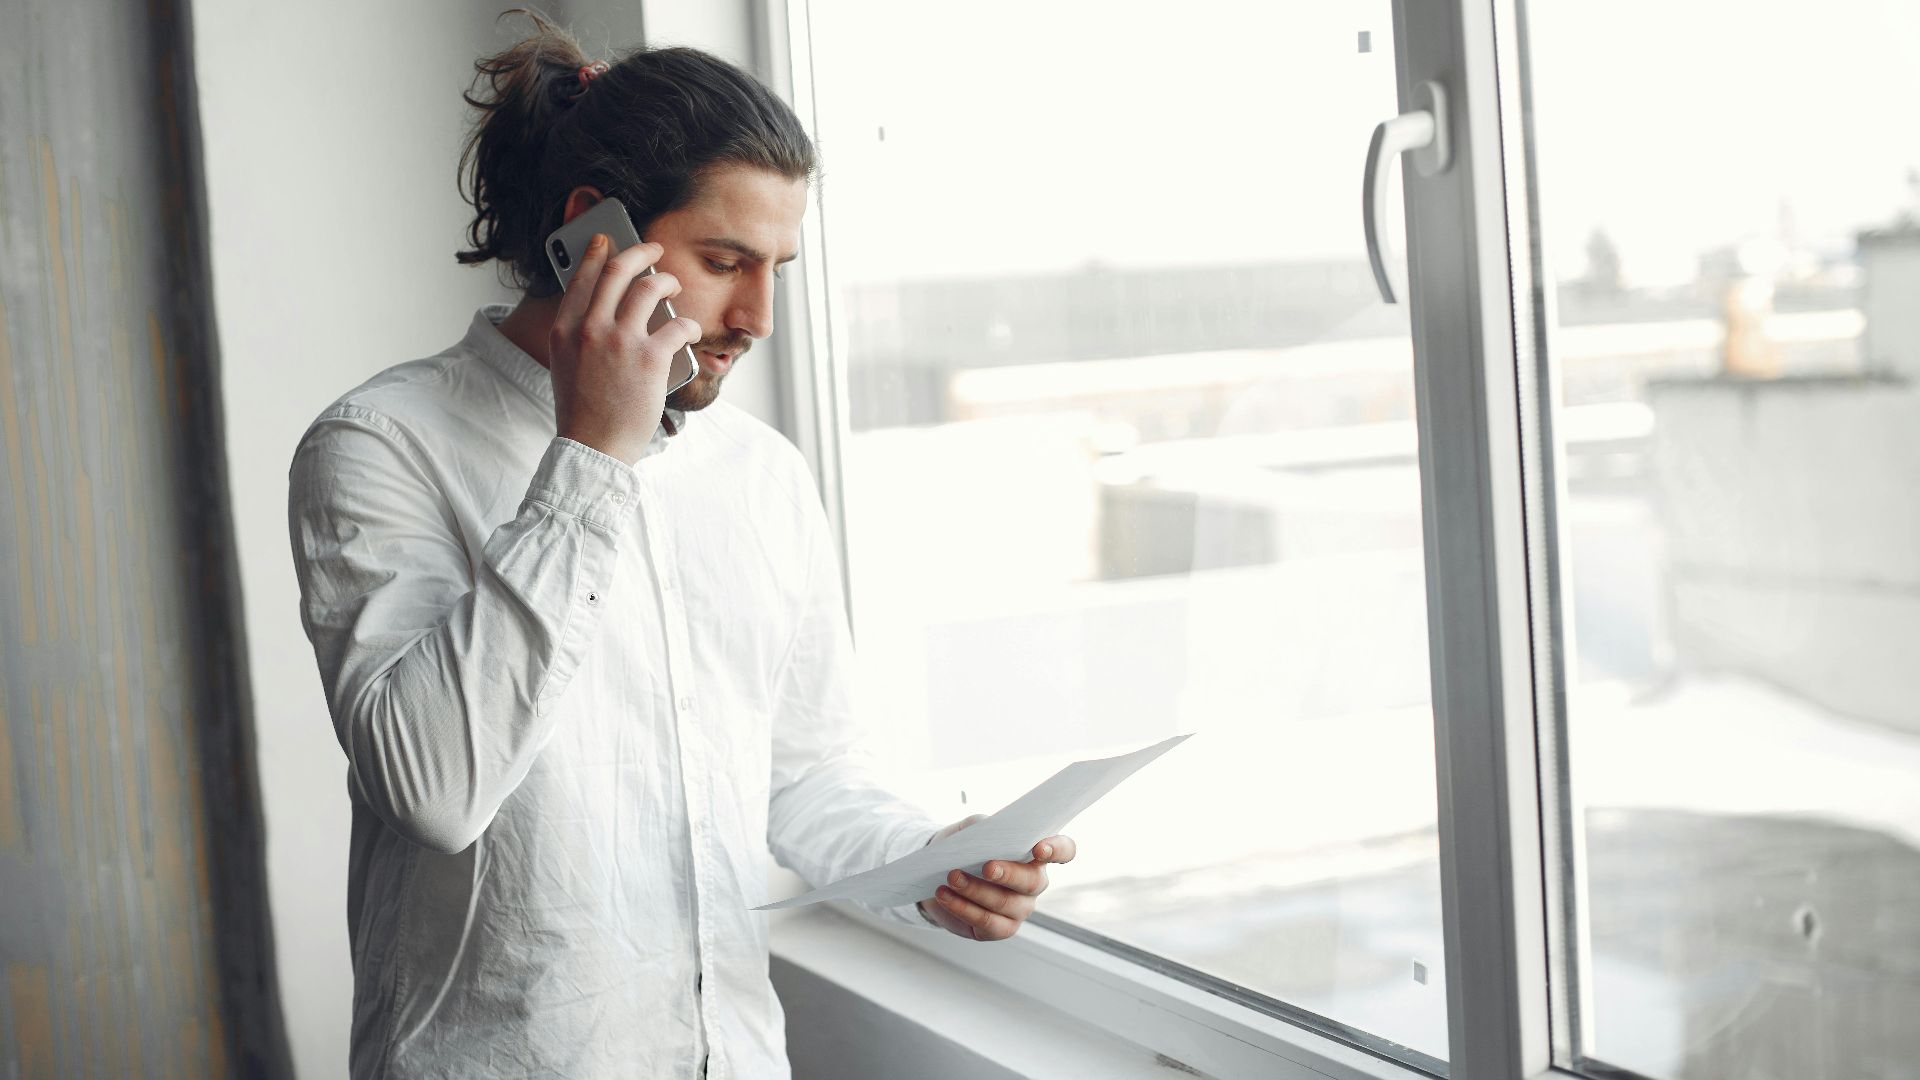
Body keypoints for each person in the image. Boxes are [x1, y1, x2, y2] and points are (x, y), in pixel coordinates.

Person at [285, 10, 1076, 1079]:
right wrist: (591, 457)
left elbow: (807, 775)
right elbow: (434, 786)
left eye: (777, 269)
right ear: (594, 235)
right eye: (722, 260)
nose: (755, 314)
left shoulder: (762, 477)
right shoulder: (380, 445)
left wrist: (928, 862)